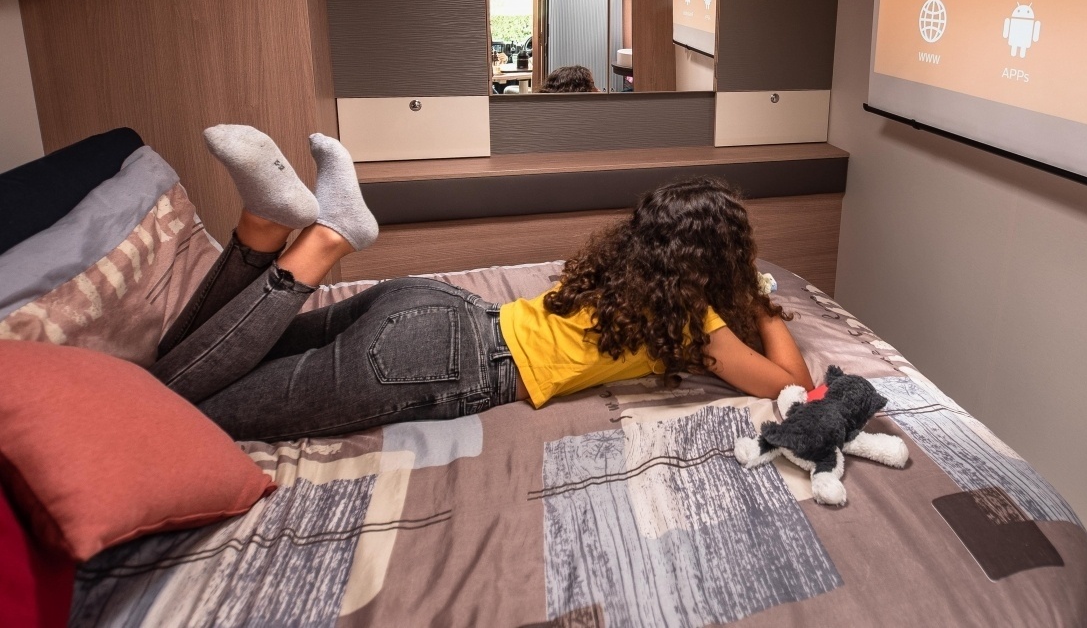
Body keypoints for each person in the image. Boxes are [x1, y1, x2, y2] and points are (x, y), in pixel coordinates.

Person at [151, 126, 813, 442]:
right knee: (172, 411)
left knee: (205, 360)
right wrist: (760, 302)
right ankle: (322, 238)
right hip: (441, 360)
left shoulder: (618, 269)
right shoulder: (693, 322)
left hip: (435, 307)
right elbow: (793, 386)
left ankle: (262, 231)